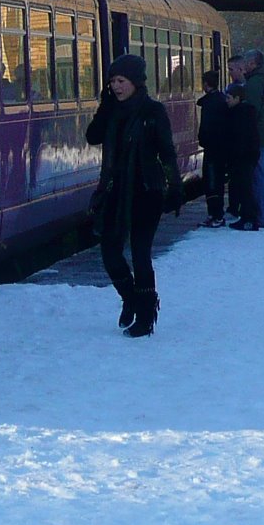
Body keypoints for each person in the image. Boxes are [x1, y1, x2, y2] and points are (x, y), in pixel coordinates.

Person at [86, 53, 183, 337]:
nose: (116, 87)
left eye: (121, 81)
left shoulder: (153, 111)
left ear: (136, 82)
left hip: (145, 191)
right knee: (110, 253)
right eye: (113, 81)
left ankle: (145, 316)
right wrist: (104, 107)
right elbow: (93, 137)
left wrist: (174, 186)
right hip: (115, 191)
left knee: (141, 254)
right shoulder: (112, 111)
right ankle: (130, 297)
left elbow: (166, 151)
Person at [239, 50, 264, 226]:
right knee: (263, 174)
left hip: (257, 136)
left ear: (253, 64)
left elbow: (251, 112)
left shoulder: (255, 83)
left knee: (258, 176)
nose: (244, 66)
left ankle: (262, 216)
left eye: (246, 63)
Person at [225, 78, 264, 231]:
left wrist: (235, 156)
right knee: (243, 188)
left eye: (229, 98)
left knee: (245, 189)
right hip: (246, 156)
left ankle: (249, 219)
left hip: (243, 158)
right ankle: (246, 217)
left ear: (237, 98)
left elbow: (240, 138)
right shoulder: (246, 112)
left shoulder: (240, 114)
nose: (226, 101)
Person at [197, 70, 231, 226]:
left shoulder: (209, 103)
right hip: (222, 146)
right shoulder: (222, 100)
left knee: (211, 182)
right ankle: (216, 214)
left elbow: (206, 127)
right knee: (216, 181)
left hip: (212, 148)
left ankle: (216, 215)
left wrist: (203, 140)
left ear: (205, 84)